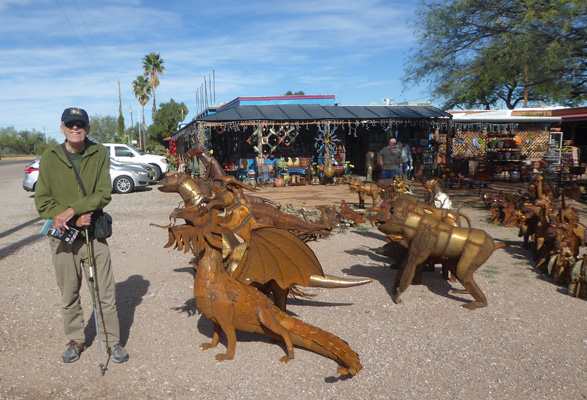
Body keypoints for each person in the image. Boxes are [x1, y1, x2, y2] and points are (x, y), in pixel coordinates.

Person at [35, 107, 129, 364]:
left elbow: (103, 193)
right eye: (70, 124)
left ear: (87, 128)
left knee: (104, 293)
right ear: (63, 128)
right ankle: (76, 340)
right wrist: (70, 217)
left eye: (80, 124)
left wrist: (75, 210)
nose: (75, 128)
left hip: (93, 235)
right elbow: (43, 202)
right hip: (63, 238)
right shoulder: (50, 156)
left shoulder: (98, 153)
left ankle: (112, 342)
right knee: (69, 294)